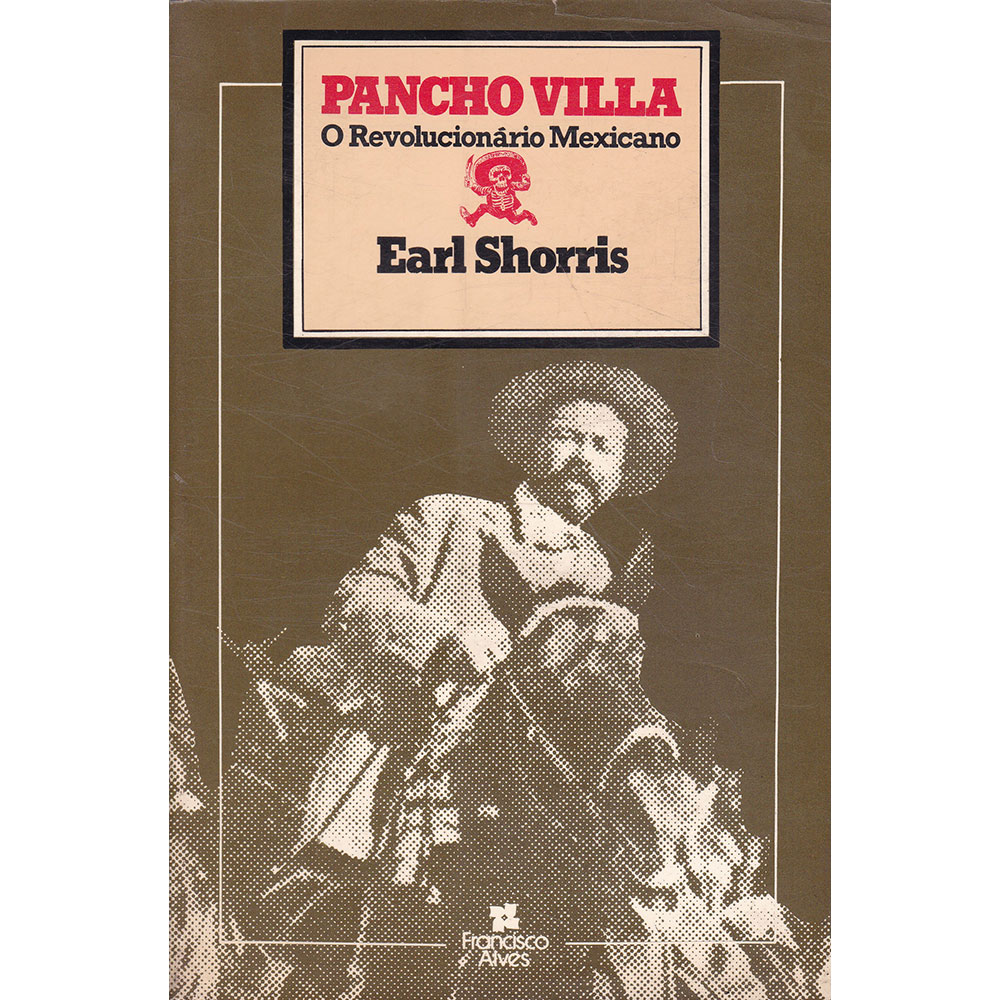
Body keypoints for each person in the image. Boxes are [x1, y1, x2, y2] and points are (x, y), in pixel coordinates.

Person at [224, 362, 817, 999]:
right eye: (569, 437)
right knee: (347, 917)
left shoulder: (603, 581)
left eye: (604, 448)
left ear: (620, 473)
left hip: (531, 795)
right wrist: (440, 636)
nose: (584, 458)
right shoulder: (447, 518)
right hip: (413, 754)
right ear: (531, 444)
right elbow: (356, 598)